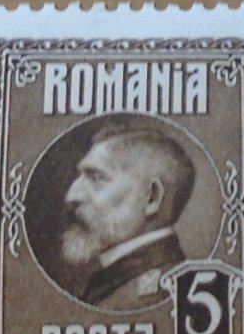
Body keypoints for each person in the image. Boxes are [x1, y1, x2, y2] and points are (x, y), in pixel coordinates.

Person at [55, 120, 196, 309]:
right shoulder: (114, 282)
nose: (71, 196)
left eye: (96, 177)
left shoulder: (155, 294)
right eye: (80, 177)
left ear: (151, 198)